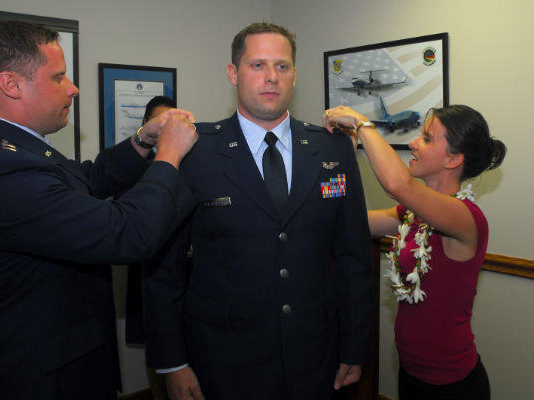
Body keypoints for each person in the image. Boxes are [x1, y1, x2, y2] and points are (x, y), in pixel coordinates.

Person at [0, 20, 198, 400]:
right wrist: (169, 156)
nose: (73, 88)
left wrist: (142, 141)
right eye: (59, 77)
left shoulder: (13, 147)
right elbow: (127, 234)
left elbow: (84, 180)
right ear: (11, 84)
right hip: (36, 383)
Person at [143, 22, 374, 400]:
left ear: (295, 75)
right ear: (233, 73)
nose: (271, 78)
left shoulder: (332, 149)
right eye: (257, 65)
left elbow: (354, 258)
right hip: (223, 359)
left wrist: (355, 345)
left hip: (314, 356)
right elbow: (163, 266)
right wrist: (172, 361)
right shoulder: (195, 151)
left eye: (282, 67)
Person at [322, 104, 506, 400]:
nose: (413, 143)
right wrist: (341, 159)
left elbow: (398, 184)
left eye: (427, 139)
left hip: (451, 386)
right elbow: (349, 221)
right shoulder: (412, 215)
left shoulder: (467, 218)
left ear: (454, 159)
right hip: (411, 373)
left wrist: (361, 122)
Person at [125, 95, 178, 400]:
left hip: (185, 281)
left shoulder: (190, 160)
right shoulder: (133, 167)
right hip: (149, 276)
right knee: (160, 365)